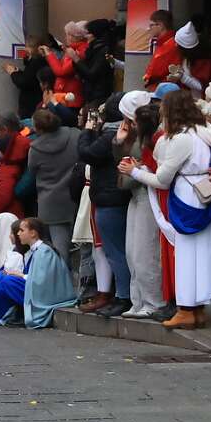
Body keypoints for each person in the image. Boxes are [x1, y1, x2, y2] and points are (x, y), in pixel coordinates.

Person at [120, 87, 211, 330]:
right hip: (205, 194)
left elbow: (162, 179)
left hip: (188, 198)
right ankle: (197, 310)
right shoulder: (205, 131)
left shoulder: (183, 138)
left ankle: (186, 310)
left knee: (187, 257)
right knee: (203, 257)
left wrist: (135, 172)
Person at [77, 95, 133, 318]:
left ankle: (123, 296)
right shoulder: (124, 133)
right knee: (118, 249)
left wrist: (88, 129)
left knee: (113, 250)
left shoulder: (110, 135)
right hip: (119, 196)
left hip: (110, 198)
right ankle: (122, 294)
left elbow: (86, 153)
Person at [25, 107, 83, 269]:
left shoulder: (35, 149)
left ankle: (60, 282)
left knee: (58, 251)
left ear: (38, 128)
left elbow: (32, 171)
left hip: (49, 203)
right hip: (76, 197)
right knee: (83, 249)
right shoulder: (75, 135)